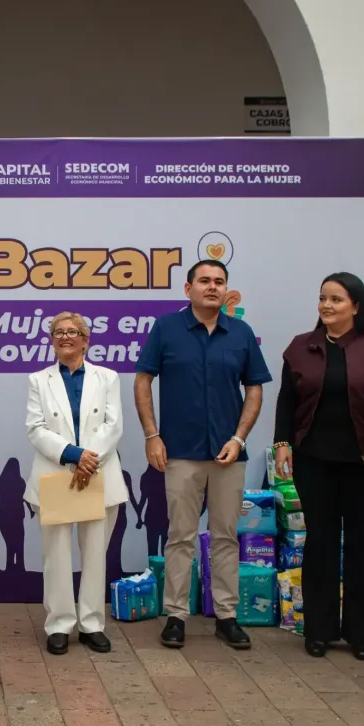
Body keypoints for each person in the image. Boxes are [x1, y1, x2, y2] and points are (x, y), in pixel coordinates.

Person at [273, 273, 364, 660]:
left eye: (336, 299)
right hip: (314, 462)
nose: (326, 305)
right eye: (323, 298)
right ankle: (318, 630)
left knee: (363, 543)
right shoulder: (301, 347)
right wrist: (282, 443)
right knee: (320, 542)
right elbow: (286, 401)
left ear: (356, 306)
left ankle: (363, 633)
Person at [135, 259, 273, 649]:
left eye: (219, 281)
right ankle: (176, 616)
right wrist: (152, 435)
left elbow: (255, 388)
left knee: (226, 536)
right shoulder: (166, 328)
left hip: (228, 453)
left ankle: (226, 616)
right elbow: (143, 380)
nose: (212, 287)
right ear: (188, 288)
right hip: (180, 451)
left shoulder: (241, 333)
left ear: (226, 289)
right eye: (204, 281)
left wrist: (240, 438)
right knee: (180, 536)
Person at [24, 312, 124, 655]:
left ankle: (92, 624)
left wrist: (88, 460)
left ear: (85, 340)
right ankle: (59, 624)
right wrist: (73, 455)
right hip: (57, 473)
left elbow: (113, 425)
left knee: (95, 553)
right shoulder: (38, 380)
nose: (65, 337)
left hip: (98, 472)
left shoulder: (108, 377)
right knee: (56, 554)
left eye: (72, 331)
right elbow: (35, 428)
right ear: (52, 341)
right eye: (58, 332)